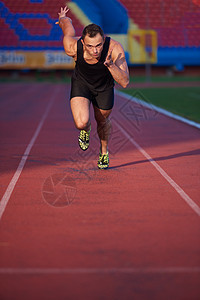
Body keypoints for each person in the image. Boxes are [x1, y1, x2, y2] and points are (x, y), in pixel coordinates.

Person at [57, 6, 129, 169]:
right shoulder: (73, 47)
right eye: (90, 46)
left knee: (102, 121)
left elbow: (124, 81)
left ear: (104, 40)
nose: (95, 50)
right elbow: (68, 29)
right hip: (81, 83)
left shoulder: (114, 48)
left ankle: (104, 153)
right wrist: (63, 19)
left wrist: (111, 65)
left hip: (104, 87)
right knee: (81, 122)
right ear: (83, 42)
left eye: (99, 45)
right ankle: (86, 130)